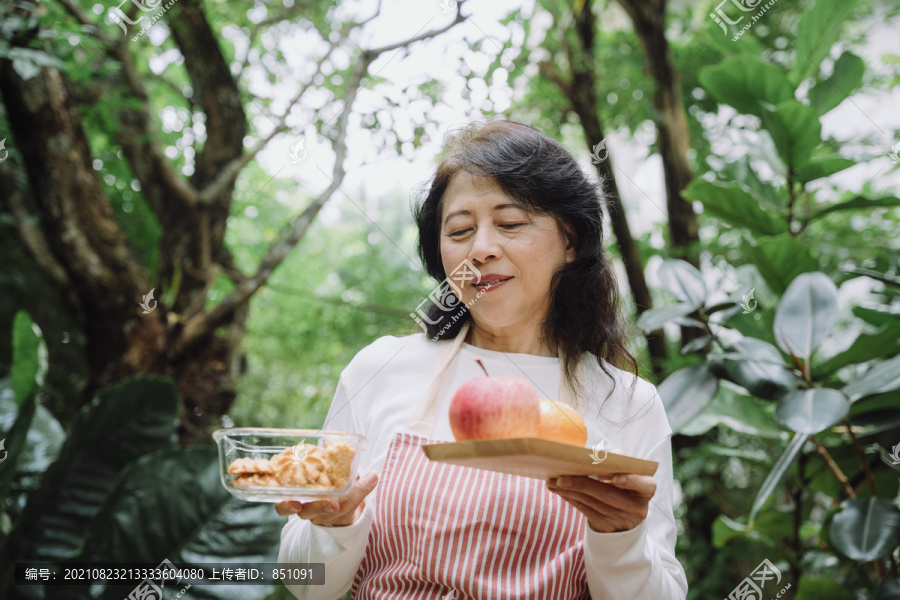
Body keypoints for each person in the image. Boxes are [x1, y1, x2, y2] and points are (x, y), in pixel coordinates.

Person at [276, 119, 688, 599]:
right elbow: (306, 586)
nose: (482, 249)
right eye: (460, 230)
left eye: (511, 224)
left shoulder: (628, 402)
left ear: (571, 240)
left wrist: (621, 538)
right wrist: (336, 523)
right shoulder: (381, 369)